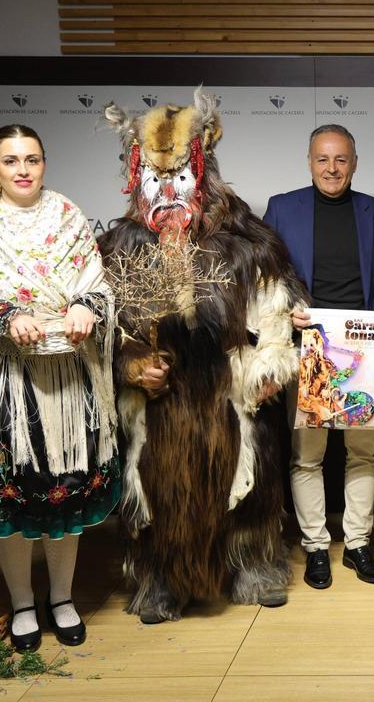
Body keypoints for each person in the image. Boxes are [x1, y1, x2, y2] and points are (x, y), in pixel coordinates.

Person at [100, 90, 302, 623]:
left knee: (247, 480)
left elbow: (275, 310)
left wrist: (268, 367)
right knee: (157, 485)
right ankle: (162, 578)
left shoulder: (247, 242)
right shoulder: (120, 246)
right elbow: (106, 327)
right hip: (161, 400)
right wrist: (133, 365)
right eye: (155, 179)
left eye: (178, 177)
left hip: (228, 393)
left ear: (202, 172)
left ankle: (250, 566)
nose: (167, 190)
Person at [0, 125, 118, 651]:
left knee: (67, 489)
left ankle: (62, 597)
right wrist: (5, 314)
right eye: (11, 160)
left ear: (44, 163)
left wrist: (85, 306)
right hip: (2, 380)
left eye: (32, 159)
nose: (23, 169)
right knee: (13, 495)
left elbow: (95, 283)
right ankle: (21, 604)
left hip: (65, 377)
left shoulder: (67, 215)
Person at [263, 124, 374, 589]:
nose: (332, 168)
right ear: (309, 162)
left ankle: (357, 543)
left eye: (341, 159)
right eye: (323, 159)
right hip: (308, 348)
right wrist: (287, 310)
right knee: (308, 456)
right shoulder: (282, 208)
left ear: (355, 163)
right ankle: (316, 546)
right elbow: (269, 277)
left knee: (363, 452)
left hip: (363, 347)